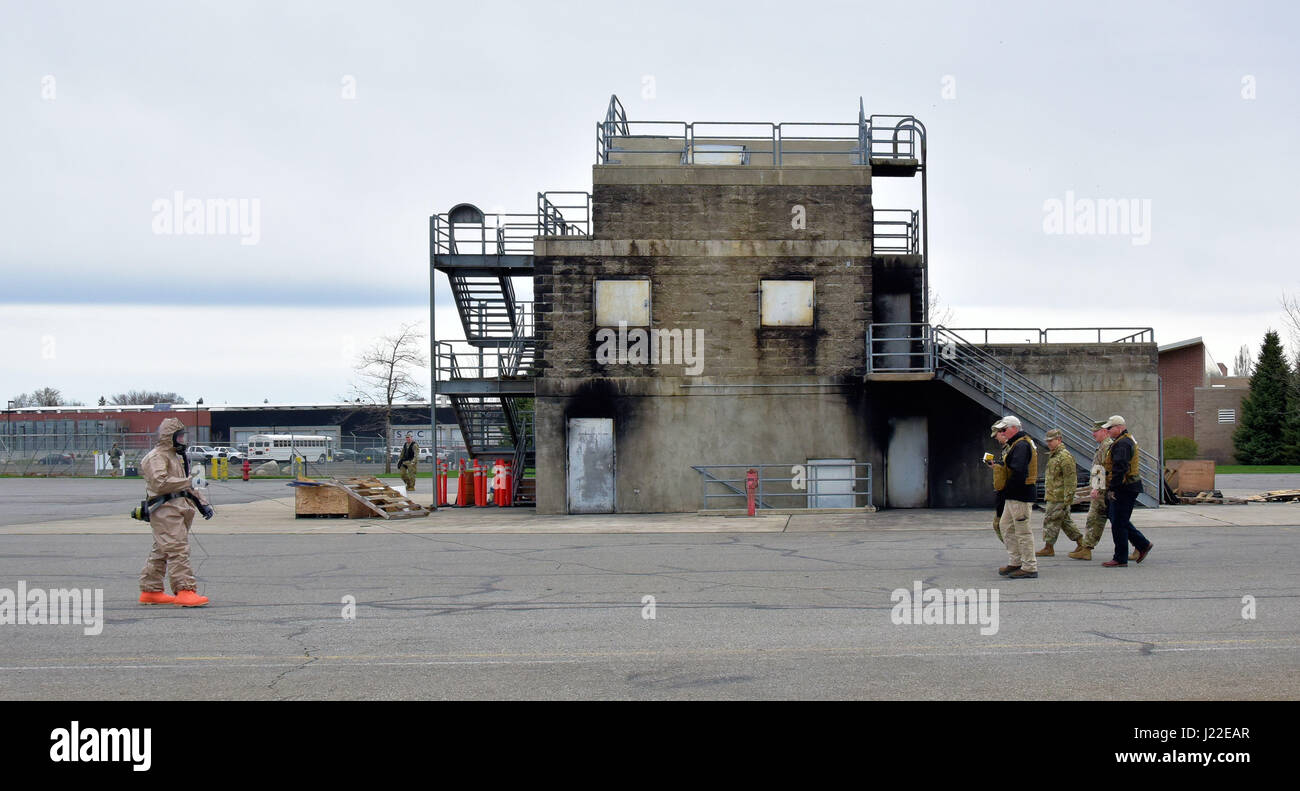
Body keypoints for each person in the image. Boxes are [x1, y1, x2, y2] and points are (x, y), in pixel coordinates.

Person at [138, 418, 213, 607]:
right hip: (165, 510)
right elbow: (160, 483)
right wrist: (188, 482)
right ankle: (185, 590)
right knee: (178, 549)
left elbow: (185, 484)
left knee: (162, 550)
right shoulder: (156, 457)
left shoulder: (175, 457)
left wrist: (203, 504)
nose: (182, 440)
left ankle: (151, 590)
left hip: (179, 508)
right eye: (178, 436)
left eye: (182, 436)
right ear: (168, 437)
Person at [1100, 415, 1153, 568]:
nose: (1108, 431)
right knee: (1118, 519)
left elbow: (1120, 468)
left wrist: (1113, 489)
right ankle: (1142, 544)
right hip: (1128, 487)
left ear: (1119, 427)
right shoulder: (1123, 441)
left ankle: (1120, 558)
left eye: (1110, 428)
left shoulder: (1122, 444)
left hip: (1124, 488)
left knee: (1118, 523)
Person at [989, 416, 1039, 579]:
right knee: (1006, 526)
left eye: (1004, 430)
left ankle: (1029, 566)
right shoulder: (1017, 445)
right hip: (1014, 495)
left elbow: (1018, 472)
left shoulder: (1022, 445)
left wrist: (1007, 488)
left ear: (1013, 428)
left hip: (1020, 494)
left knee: (1023, 531)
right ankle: (1016, 561)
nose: (1002, 433)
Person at [1068, 421, 1113, 561]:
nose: (1093, 434)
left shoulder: (1107, 446)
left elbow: (1103, 469)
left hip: (1102, 490)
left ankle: (1086, 549)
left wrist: (1097, 488)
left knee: (1095, 519)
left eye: (1096, 431)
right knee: (1106, 519)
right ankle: (1086, 548)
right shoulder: (1102, 446)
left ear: (1104, 431)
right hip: (1101, 489)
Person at [1036, 428, 1084, 557]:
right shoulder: (1054, 455)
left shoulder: (1064, 456)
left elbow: (1071, 479)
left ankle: (1048, 547)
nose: (1049, 443)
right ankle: (1082, 543)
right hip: (1054, 494)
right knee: (1064, 521)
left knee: (1050, 520)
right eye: (1048, 441)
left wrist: (1068, 497)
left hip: (1059, 496)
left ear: (1059, 440)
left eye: (1051, 441)